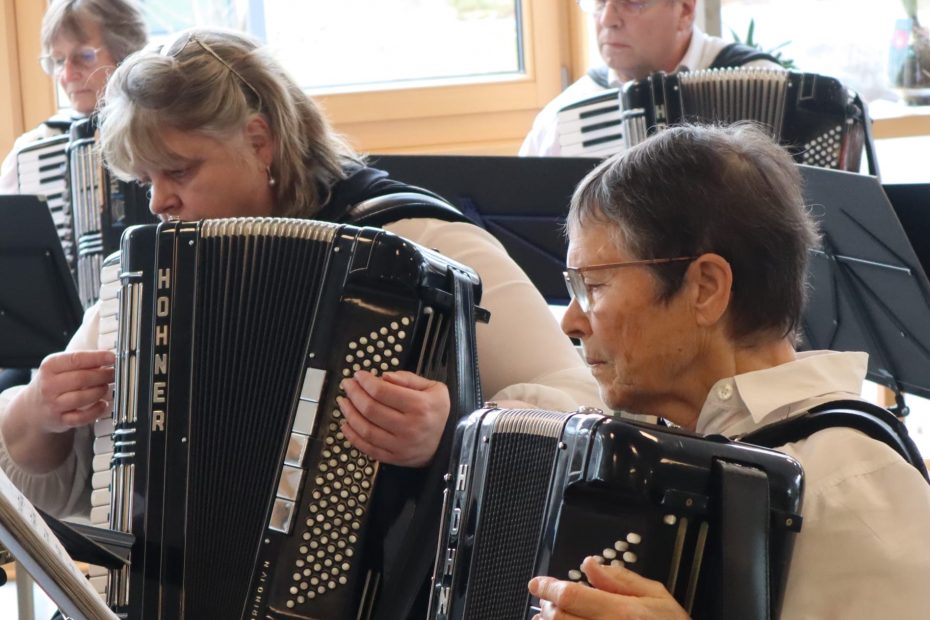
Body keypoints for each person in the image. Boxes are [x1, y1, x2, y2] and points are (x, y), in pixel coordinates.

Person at [0, 26, 603, 520]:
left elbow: (579, 403)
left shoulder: (417, 239)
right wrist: (39, 413)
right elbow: (78, 491)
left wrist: (454, 432)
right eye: (145, 181)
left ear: (258, 140)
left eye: (179, 173)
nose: (158, 203)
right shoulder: (153, 270)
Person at [526, 123, 930, 619]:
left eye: (595, 285)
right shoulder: (668, 451)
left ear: (706, 288)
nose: (571, 320)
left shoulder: (852, 484)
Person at [519, 0, 781, 157]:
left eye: (632, 2)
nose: (608, 19)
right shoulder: (563, 119)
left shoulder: (765, 81)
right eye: (598, 2)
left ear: (685, 11)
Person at [0, 0, 147, 193]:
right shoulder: (31, 154)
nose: (67, 76)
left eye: (84, 56)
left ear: (125, 53)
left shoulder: (162, 127)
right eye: (59, 61)